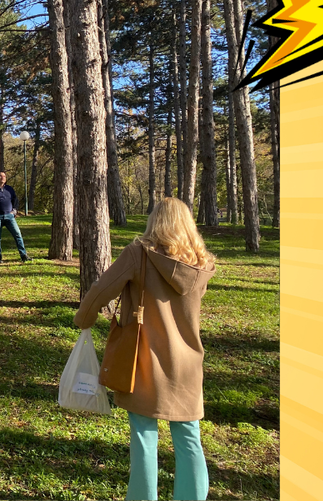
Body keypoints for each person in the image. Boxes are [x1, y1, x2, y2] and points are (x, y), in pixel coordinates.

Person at [75, 197, 217, 501]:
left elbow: (101, 289)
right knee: (189, 438)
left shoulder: (138, 254)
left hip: (144, 362)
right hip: (188, 365)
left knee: (143, 438)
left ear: (155, 221)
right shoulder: (200, 264)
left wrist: (83, 319)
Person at [0, 171, 30, 263]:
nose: (2, 177)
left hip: (10, 216)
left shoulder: (10, 189)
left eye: (4, 176)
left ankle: (23, 255)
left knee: (18, 235)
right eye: (0, 176)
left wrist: (14, 211)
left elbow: (15, 201)